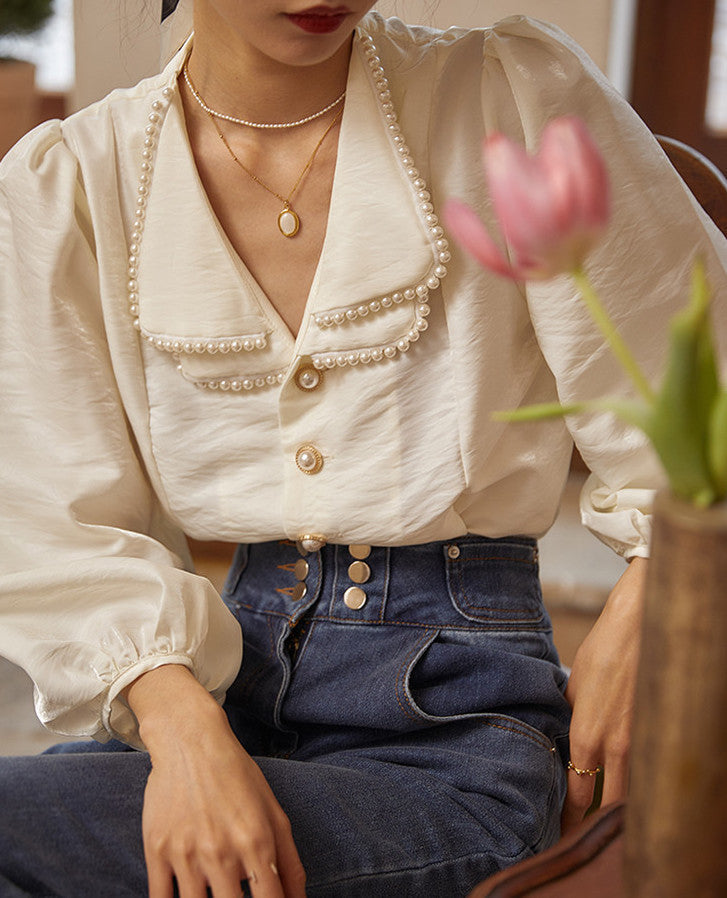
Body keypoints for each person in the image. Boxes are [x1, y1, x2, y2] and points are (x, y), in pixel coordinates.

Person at [0, 2, 725, 896]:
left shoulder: (507, 99)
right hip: (228, 696)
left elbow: (708, 388)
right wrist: (184, 733)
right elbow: (47, 519)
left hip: (457, 741)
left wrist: (649, 598)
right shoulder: (71, 183)